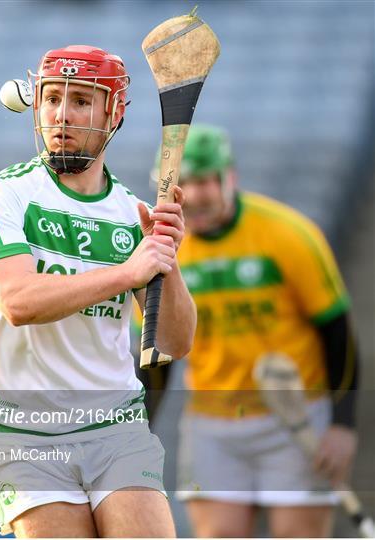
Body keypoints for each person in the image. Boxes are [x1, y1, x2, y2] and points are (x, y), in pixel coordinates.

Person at [0, 45, 196, 538]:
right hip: (23, 432)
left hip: (115, 423)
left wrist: (164, 259)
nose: (61, 116)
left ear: (114, 112)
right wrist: (125, 273)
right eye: (51, 99)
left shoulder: (132, 213)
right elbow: (19, 303)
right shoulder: (3, 194)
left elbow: (175, 343)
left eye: (81, 102)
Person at [145, 124, 359, 537]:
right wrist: (138, 432)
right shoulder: (164, 248)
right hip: (213, 424)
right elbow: (156, 356)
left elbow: (338, 332)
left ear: (230, 177)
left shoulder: (288, 233)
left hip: (294, 416)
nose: (194, 196)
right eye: (182, 184)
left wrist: (343, 424)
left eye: (205, 181)